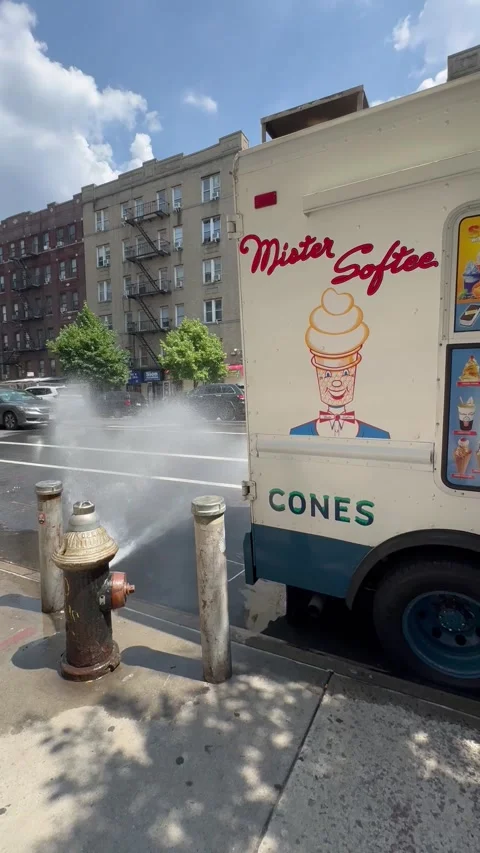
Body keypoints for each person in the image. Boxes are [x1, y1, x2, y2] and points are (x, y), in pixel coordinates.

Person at [290, 287, 390, 438]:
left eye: (345, 373)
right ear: (318, 376)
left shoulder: (379, 436)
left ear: (355, 373)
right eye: (328, 374)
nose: (337, 383)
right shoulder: (297, 434)